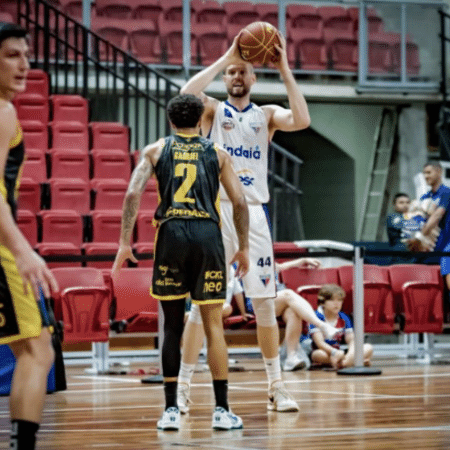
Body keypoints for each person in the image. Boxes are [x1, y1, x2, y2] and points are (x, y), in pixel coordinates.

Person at [180, 28, 310, 412]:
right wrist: (228, 55)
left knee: (265, 305)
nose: (237, 77)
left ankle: (276, 386)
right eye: (231, 72)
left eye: (243, 71)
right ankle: (182, 389)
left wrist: (284, 66)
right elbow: (185, 95)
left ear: (254, 78)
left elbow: (301, 119)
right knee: (201, 306)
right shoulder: (212, 111)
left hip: (253, 215)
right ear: (225, 78)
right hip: (215, 212)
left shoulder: (266, 115)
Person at [111, 94, 250, 431]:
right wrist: (243, 247)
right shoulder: (217, 154)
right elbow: (240, 201)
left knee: (172, 326)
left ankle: (171, 410)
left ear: (171, 121)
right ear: (202, 120)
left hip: (171, 234)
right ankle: (221, 411)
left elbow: (132, 194)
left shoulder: (156, 150)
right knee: (213, 324)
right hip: (206, 235)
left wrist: (124, 242)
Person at [0, 23, 59, 450]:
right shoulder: (2, 112)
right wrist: (21, 249)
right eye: (11, 55)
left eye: (26, 55)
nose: (25, 65)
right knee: (38, 352)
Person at [274, 258, 339, 372]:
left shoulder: (263, 256)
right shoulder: (244, 258)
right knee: (288, 294)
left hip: (276, 301)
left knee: (294, 312)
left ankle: (291, 358)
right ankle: (322, 325)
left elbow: (279, 267)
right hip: (257, 302)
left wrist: (303, 260)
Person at [310, 284, 373, 369]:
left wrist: (351, 353)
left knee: (368, 347)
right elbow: (320, 343)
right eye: (332, 300)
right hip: (325, 352)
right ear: (322, 302)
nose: (337, 304)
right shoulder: (315, 317)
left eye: (339, 300)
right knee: (317, 355)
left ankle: (345, 362)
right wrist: (334, 352)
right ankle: (355, 362)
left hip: (341, 354)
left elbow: (351, 340)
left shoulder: (344, 317)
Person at [406, 162, 450, 275]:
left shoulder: (446, 193)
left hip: (441, 250)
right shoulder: (424, 197)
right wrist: (410, 237)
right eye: (424, 173)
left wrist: (419, 237)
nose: (426, 176)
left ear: (439, 172)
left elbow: (437, 215)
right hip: (423, 252)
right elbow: (414, 219)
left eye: (429, 172)